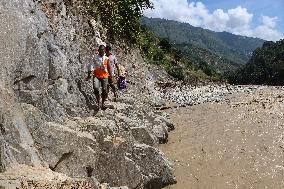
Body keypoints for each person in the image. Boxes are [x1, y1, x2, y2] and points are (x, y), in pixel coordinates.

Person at [86, 45, 113, 110]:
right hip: (96, 76)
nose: (102, 51)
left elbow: (109, 67)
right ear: (98, 50)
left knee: (104, 90)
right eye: (101, 49)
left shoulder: (106, 58)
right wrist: (89, 75)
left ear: (104, 50)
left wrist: (111, 76)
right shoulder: (95, 58)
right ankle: (98, 103)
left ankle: (102, 103)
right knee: (96, 88)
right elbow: (91, 66)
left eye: (103, 50)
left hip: (105, 76)